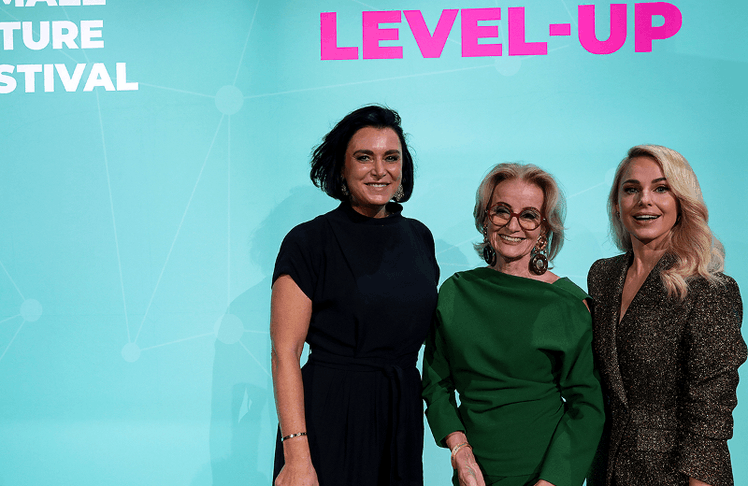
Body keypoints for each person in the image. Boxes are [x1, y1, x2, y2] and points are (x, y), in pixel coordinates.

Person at [270, 105, 439, 486]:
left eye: (391, 157)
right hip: (329, 416)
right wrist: (297, 456)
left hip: (400, 418)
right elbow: (284, 353)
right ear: (341, 168)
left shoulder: (419, 237)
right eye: (364, 157)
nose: (380, 170)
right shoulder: (308, 241)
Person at [422, 163, 605, 486]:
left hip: (544, 475)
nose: (513, 225)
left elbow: (587, 406)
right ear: (485, 219)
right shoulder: (455, 293)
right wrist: (460, 451)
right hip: (471, 474)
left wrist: (552, 482)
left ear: (544, 230)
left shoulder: (568, 303)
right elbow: (436, 383)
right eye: (501, 211)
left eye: (529, 215)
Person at [586, 145, 747, 486]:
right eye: (631, 189)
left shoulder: (709, 289)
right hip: (607, 470)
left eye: (661, 188)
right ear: (617, 204)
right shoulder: (602, 276)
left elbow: (710, 415)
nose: (644, 200)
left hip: (677, 476)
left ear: (682, 202)